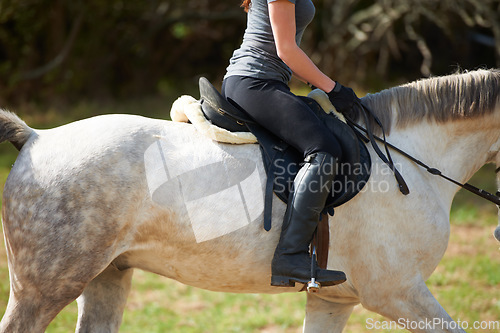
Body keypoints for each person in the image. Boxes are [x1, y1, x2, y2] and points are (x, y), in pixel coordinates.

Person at [222, 0, 360, 287]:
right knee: (325, 149)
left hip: (268, 82)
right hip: (255, 82)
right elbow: (285, 49)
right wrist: (332, 87)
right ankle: (290, 255)